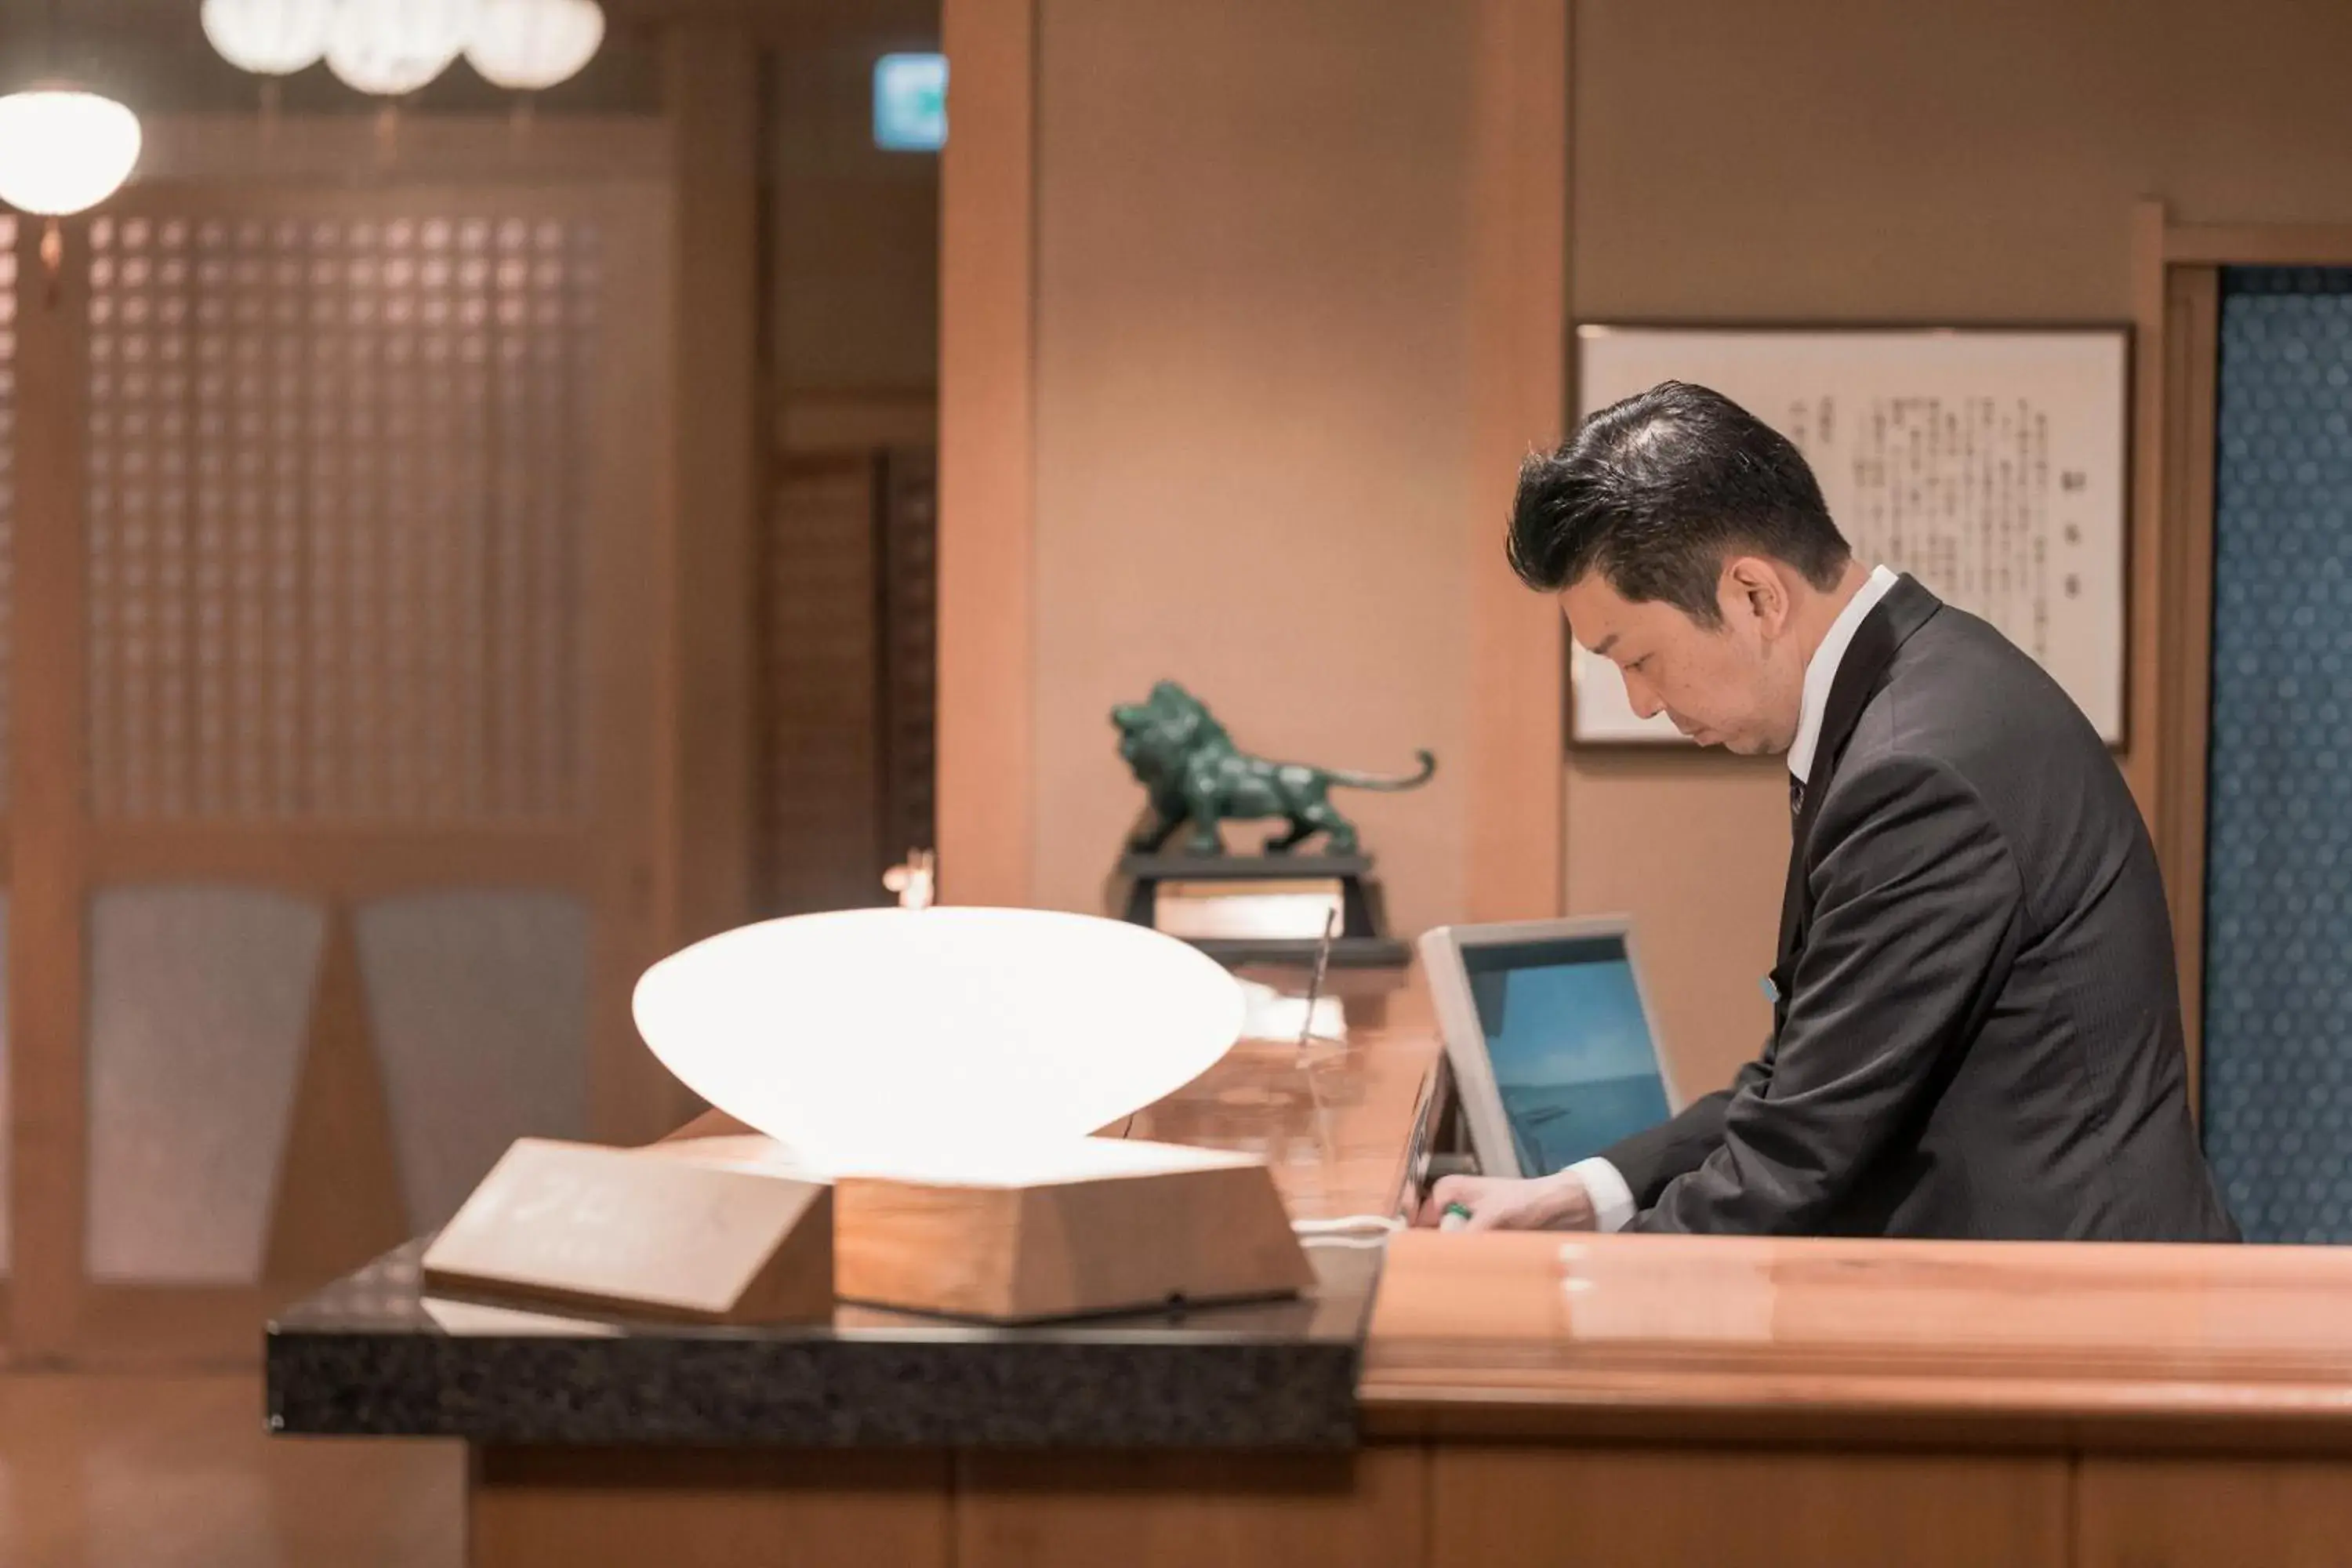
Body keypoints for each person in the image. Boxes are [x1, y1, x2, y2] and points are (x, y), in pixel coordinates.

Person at [1419, 381, 2237, 1240]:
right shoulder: (1918, 691)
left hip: (2082, 1317)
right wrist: (1590, 1188)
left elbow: (1794, 1155)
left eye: (1639, 657)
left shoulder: (1918, 771)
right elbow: (1804, 1071)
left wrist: (1580, 1287)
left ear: (1755, 596)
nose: (1642, 703)